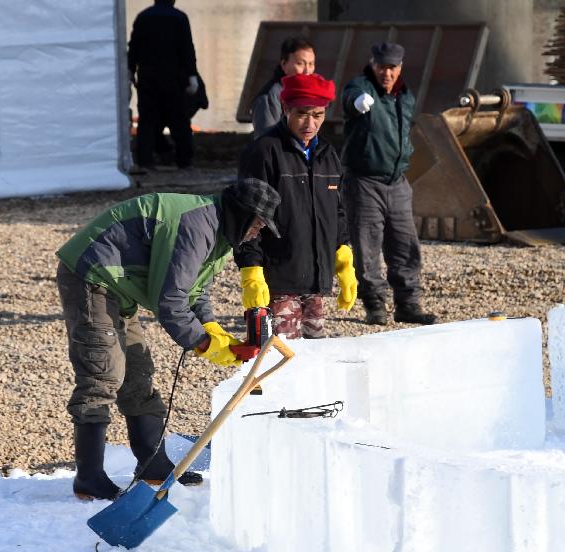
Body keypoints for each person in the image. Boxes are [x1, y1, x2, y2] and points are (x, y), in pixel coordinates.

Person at [55, 179, 281, 501]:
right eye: (258, 224)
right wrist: (205, 344)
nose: (257, 233)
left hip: (120, 288)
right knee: (102, 372)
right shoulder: (197, 226)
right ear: (241, 215)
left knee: (138, 371)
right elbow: (171, 302)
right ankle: (89, 478)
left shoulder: (219, 234)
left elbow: (195, 292)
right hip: (91, 276)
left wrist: (215, 332)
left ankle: (153, 466)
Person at [236, 73, 357, 340]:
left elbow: (336, 211)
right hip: (278, 278)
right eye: (302, 114)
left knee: (314, 358)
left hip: (316, 277)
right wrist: (251, 269)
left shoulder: (327, 154)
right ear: (285, 109)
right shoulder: (264, 151)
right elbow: (246, 215)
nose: (310, 123)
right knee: (279, 358)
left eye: (318, 115)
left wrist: (343, 253)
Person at [340, 42, 437, 326]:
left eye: (392, 67)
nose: (387, 73)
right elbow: (349, 97)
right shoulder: (361, 86)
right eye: (382, 66)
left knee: (406, 244)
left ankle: (408, 304)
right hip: (364, 181)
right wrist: (356, 102)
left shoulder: (404, 95)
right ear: (372, 64)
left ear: (400, 68)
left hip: (397, 182)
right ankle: (374, 306)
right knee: (367, 246)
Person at [128, 0, 199, 170]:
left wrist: (130, 70)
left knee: (147, 121)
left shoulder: (143, 17)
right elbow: (187, 49)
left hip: (148, 78)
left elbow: (134, 48)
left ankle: (144, 160)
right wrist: (192, 75)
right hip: (174, 79)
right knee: (179, 121)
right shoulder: (180, 18)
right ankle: (184, 160)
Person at [250, 36, 315, 139]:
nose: (307, 71)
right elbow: (266, 142)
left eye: (311, 64)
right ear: (284, 64)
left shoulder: (307, 93)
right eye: (300, 63)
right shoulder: (269, 97)